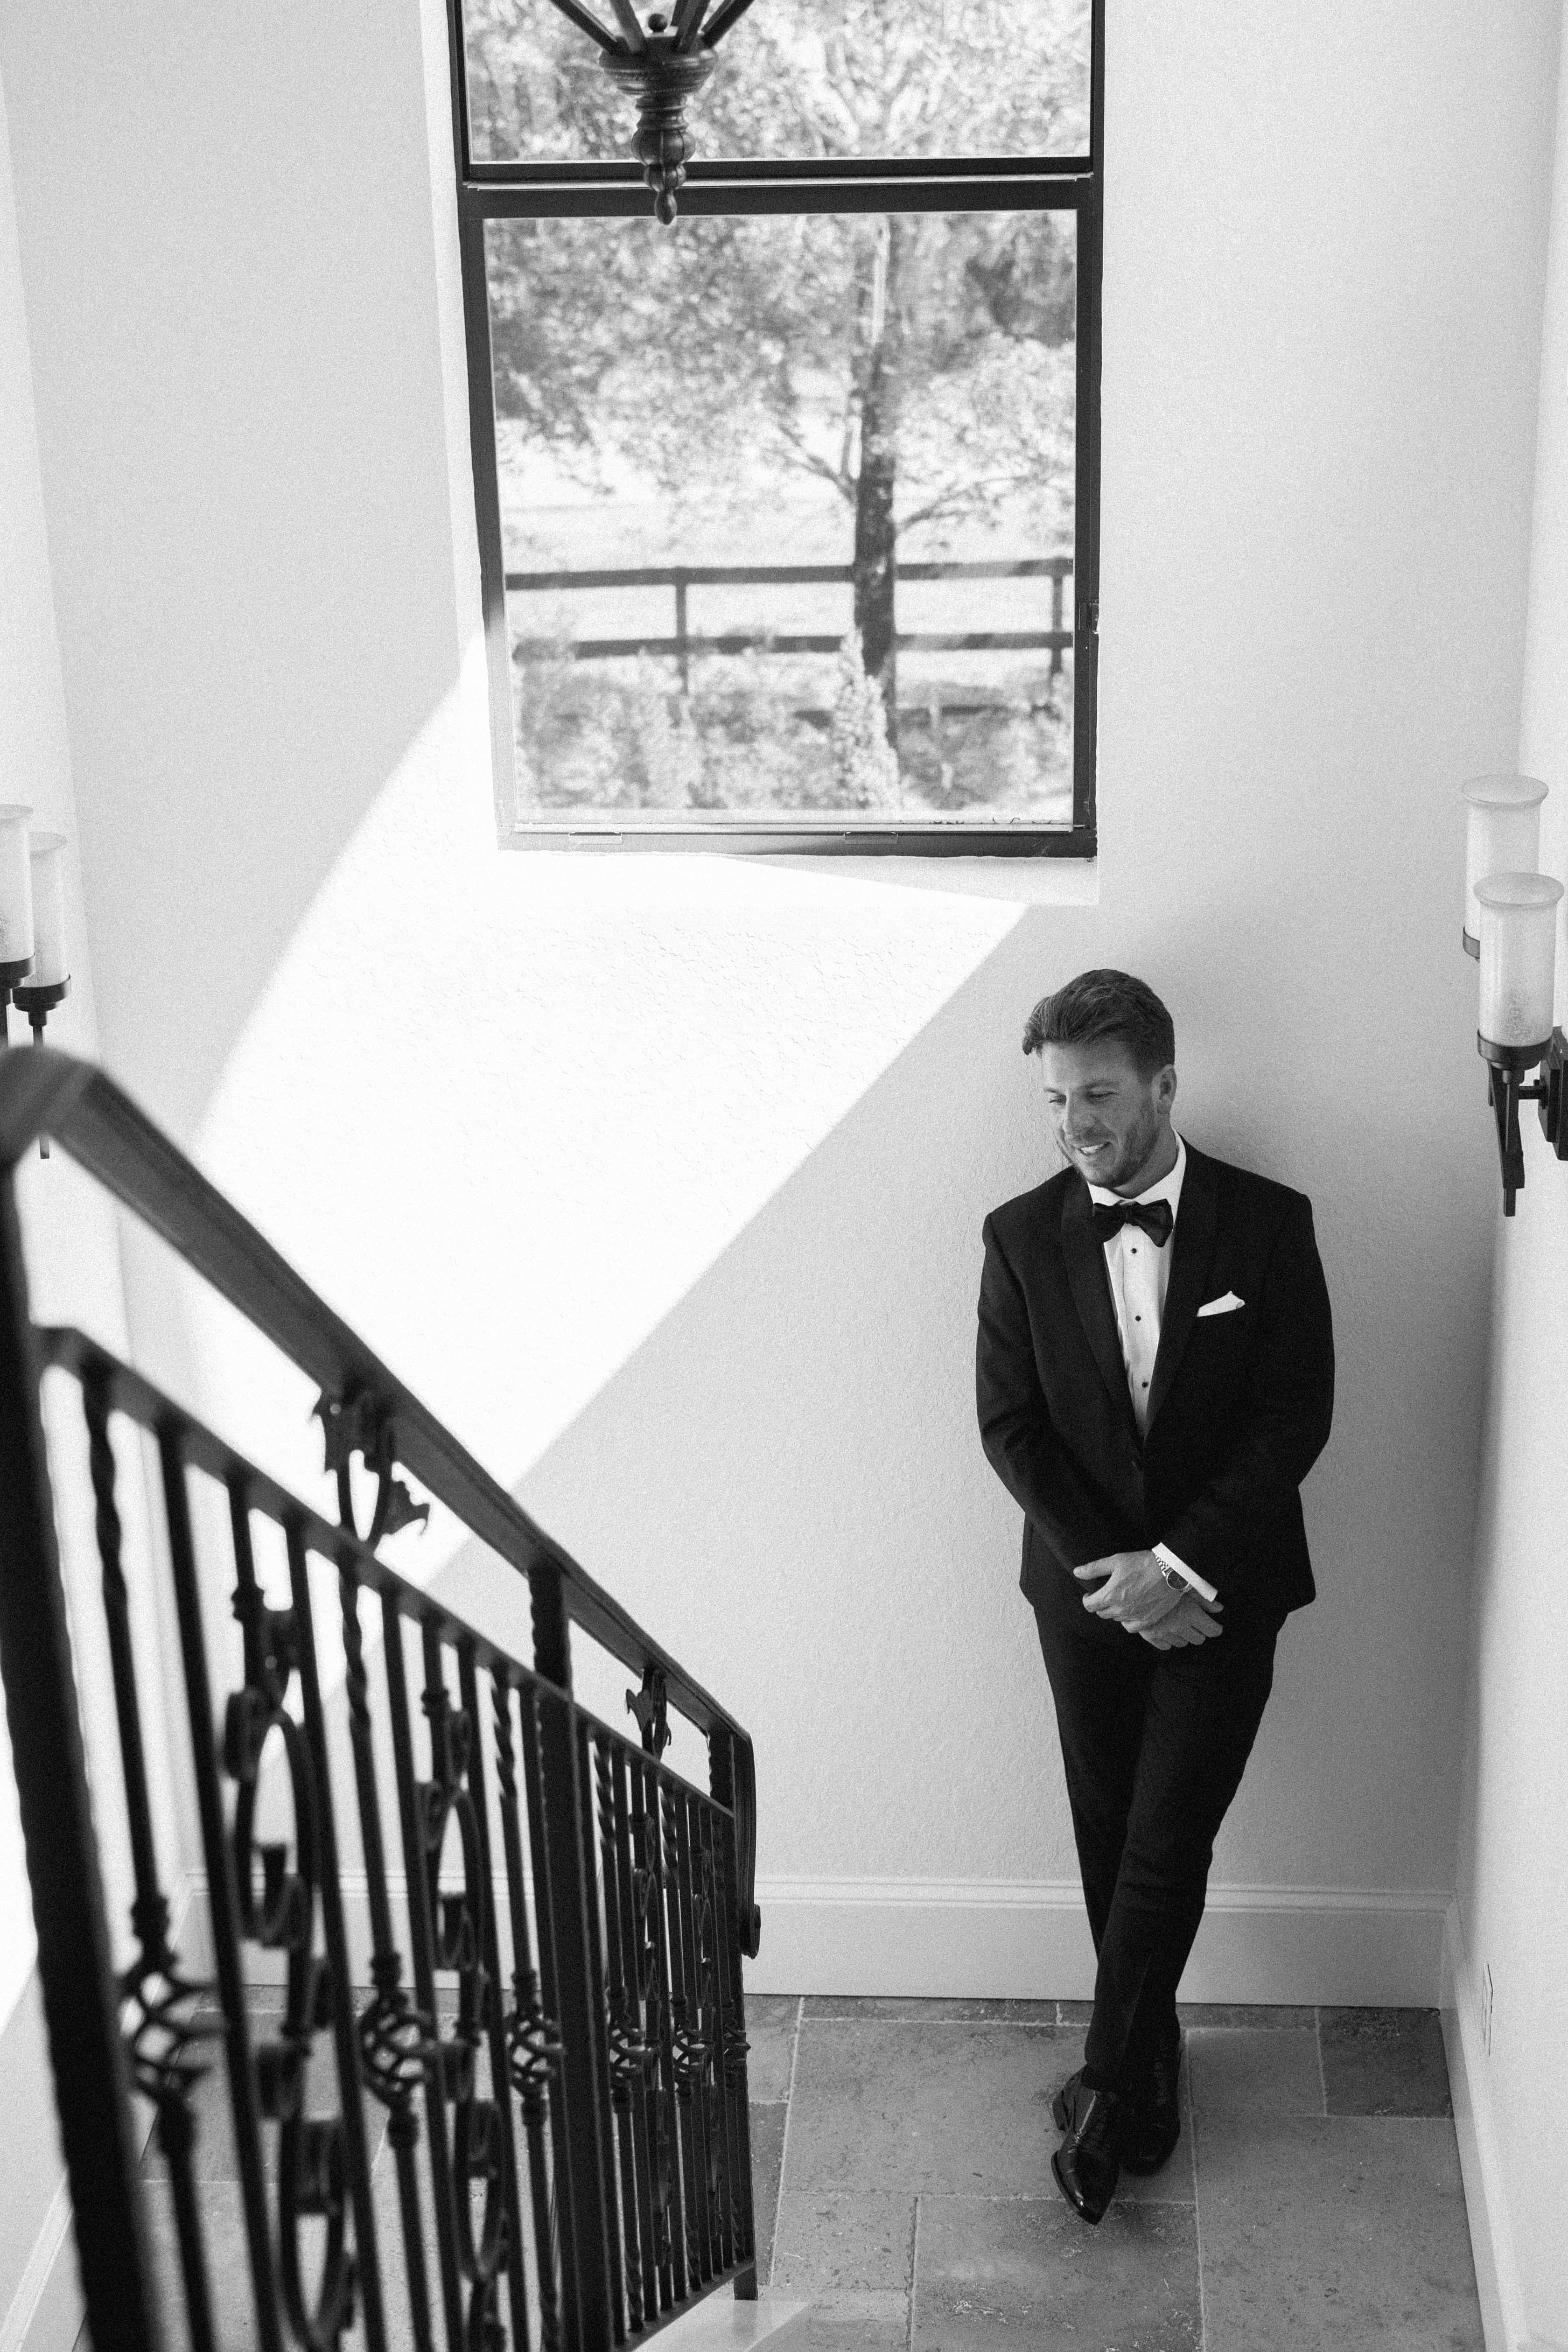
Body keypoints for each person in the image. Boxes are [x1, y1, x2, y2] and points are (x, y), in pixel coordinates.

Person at [974, 969, 1334, 2224]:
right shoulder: (1019, 1238)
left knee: (1168, 1833)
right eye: (1058, 1099)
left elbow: (1298, 1414)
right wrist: (1122, 1582)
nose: (1077, 1123)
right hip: (1082, 1598)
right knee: (1110, 1827)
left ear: (1168, 1086)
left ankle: (1101, 2082)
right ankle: (1149, 2057)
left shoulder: (1269, 1224)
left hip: (1227, 1592)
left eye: (1102, 1094)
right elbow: (1011, 1430)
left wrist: (1180, 1567)